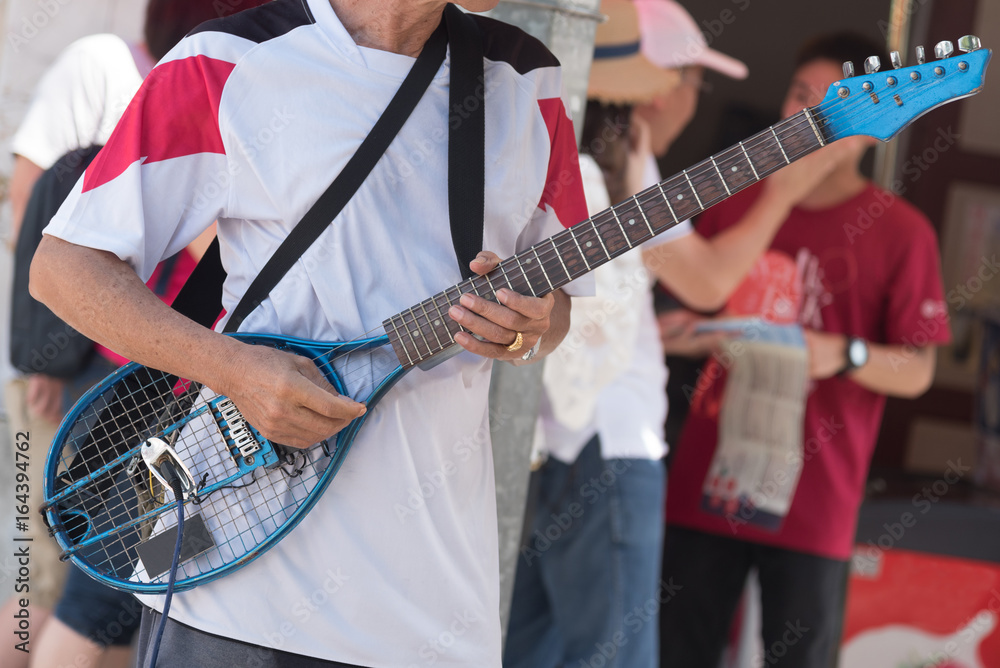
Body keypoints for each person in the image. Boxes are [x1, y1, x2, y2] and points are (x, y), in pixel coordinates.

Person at [29, 0, 590, 666]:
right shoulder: (227, 58)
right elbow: (62, 266)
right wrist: (230, 368)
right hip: (233, 581)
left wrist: (528, 331)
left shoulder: (530, 77)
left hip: (436, 609)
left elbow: (553, 311)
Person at [503, 3, 855, 667]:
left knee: (531, 653)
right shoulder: (608, 167)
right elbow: (708, 281)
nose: (694, 98)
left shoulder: (603, 157)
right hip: (609, 449)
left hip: (557, 445)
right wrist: (781, 192)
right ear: (658, 89)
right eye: (695, 81)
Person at [658, 33, 950, 668]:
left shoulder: (904, 233)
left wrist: (845, 354)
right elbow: (672, 318)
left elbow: (920, 369)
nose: (810, 115)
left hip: (818, 497)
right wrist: (689, 334)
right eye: (800, 94)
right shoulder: (730, 201)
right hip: (710, 479)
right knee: (676, 649)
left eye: (834, 101)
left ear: (875, 121)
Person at [0, 2, 269, 667]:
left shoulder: (242, 88)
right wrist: (48, 356)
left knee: (125, 593)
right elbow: (35, 229)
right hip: (94, 385)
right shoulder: (108, 66)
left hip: (179, 399)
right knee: (60, 588)